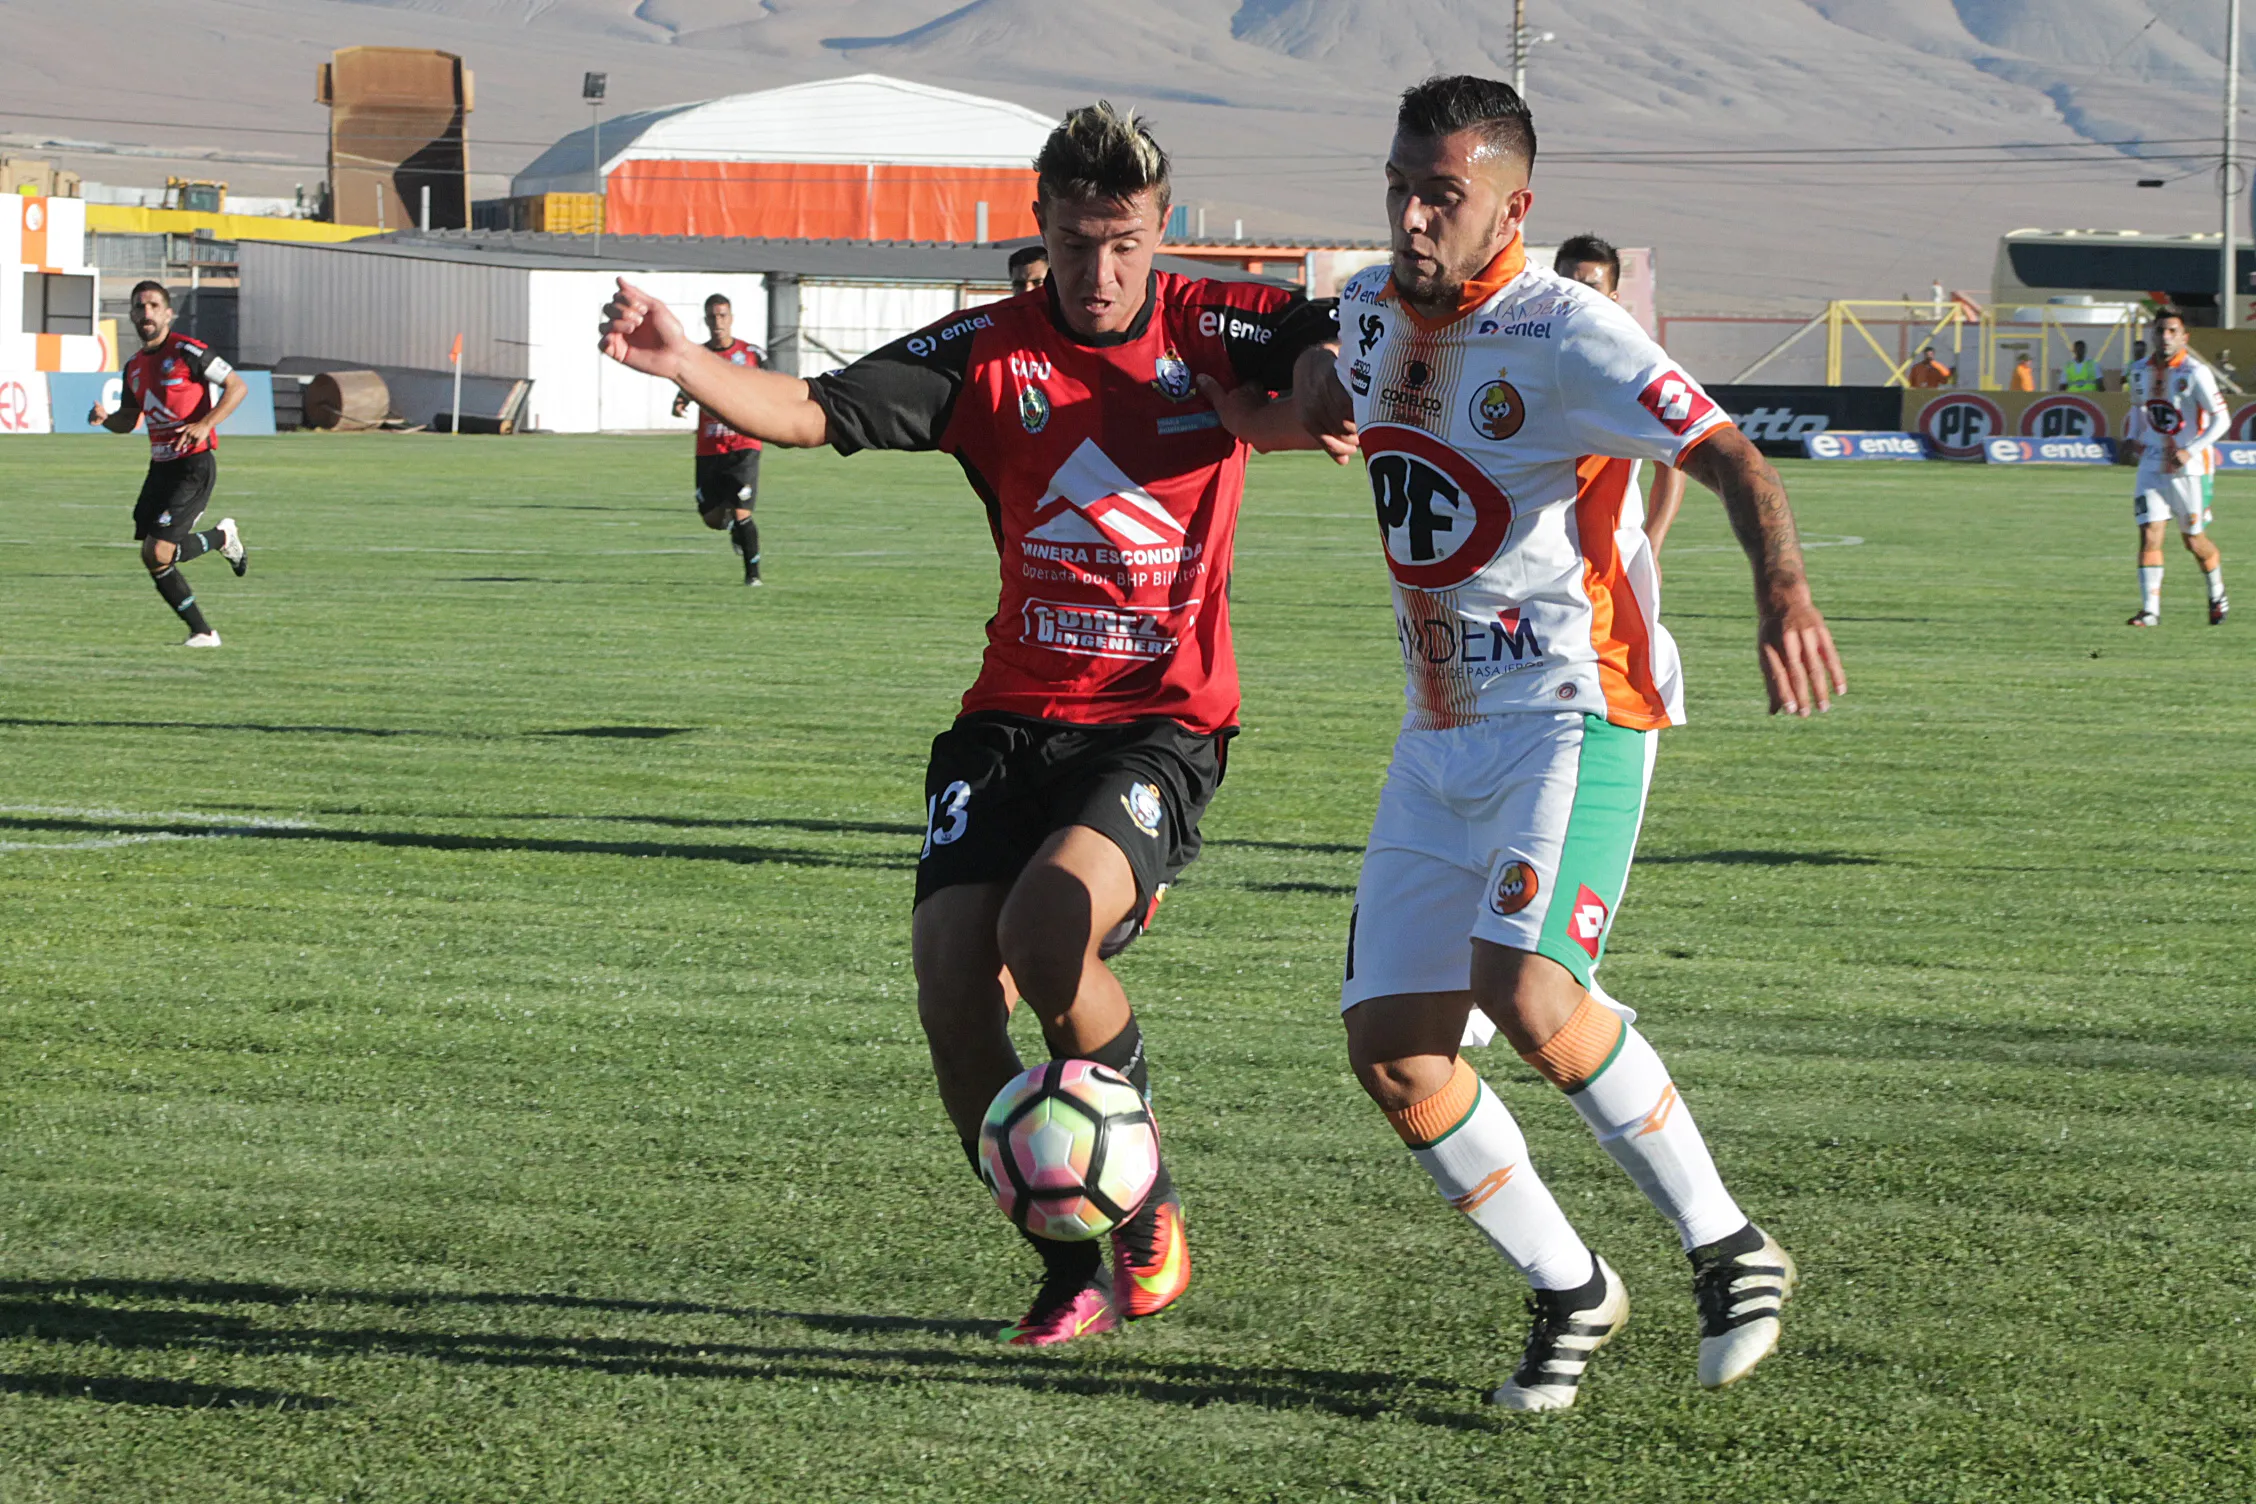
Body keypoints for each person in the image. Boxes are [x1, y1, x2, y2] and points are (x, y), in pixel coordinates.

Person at [597, 102, 1342, 1345]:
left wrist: (1317, 382)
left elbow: (1332, 338)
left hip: (1157, 722)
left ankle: (1145, 1201)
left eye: (1124, 244)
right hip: (1007, 720)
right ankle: (1065, 1257)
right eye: (1075, 242)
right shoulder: (987, 350)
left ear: (1161, 231)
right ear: (1040, 227)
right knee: (951, 986)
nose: (1100, 272)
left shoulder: (1212, 322)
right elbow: (813, 407)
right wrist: (684, 362)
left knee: (1045, 928)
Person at [1280, 75, 1844, 1412]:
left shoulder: (1565, 331)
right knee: (1396, 1053)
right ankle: (1571, 1286)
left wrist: (1782, 588)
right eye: (1400, 188)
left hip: (1575, 710)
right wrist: (1308, 384)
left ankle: (1730, 1245)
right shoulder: (1368, 307)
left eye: (1443, 196)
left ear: (1512, 206)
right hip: (1435, 732)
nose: (1413, 218)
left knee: (1528, 991)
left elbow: (1732, 455)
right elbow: (1315, 347)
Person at [89, 280, 250, 646]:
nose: (146, 312)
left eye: (153, 306)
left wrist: (205, 424)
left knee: (158, 551)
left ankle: (204, 632)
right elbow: (128, 420)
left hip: (193, 465)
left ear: (168, 313)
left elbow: (237, 386)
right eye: (139, 306)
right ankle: (222, 539)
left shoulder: (188, 351)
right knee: (154, 555)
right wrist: (105, 419)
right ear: (132, 315)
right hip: (160, 469)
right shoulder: (133, 367)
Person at [1554, 233, 1689, 553]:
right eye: (1568, 285)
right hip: (1530, 551)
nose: (1578, 297)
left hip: (1609, 553)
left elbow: (1674, 452)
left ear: (1612, 297)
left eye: (1591, 288)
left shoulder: (1634, 364)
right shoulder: (1522, 353)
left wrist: (1653, 542)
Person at [2122, 305, 2228, 626]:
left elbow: (2222, 420)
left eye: (2172, 331)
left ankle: (2217, 594)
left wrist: (2190, 450)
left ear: (2184, 337)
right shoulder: (2138, 370)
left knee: (2193, 540)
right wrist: (2132, 437)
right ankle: (2150, 611)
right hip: (2153, 461)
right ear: (2153, 335)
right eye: (2160, 331)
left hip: (2190, 468)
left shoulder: (2195, 372)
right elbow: (2139, 408)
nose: (2166, 337)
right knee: (2149, 534)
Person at [669, 293, 767, 585]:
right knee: (712, 518)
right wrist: (681, 400)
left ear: (731, 318)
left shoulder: (751, 354)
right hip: (709, 446)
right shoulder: (698, 356)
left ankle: (753, 577)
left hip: (744, 445)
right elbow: (687, 384)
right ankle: (734, 529)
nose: (718, 322)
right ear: (706, 320)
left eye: (723, 316)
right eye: (712, 317)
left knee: (742, 511)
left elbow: (774, 384)